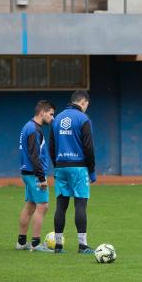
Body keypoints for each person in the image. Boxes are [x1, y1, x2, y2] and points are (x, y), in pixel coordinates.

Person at [49, 90, 96, 254]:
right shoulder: (84, 119)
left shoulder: (57, 119)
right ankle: (82, 246)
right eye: (87, 105)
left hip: (61, 166)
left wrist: (57, 165)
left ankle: (58, 245)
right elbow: (89, 148)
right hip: (79, 167)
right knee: (80, 205)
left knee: (61, 206)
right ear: (83, 102)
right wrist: (92, 171)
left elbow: (51, 146)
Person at [16, 100, 55, 252]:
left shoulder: (28, 126)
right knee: (43, 206)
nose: (52, 118)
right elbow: (35, 156)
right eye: (51, 114)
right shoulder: (34, 129)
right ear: (42, 112)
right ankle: (36, 244)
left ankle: (21, 243)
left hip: (27, 173)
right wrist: (41, 177)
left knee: (30, 205)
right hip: (34, 175)